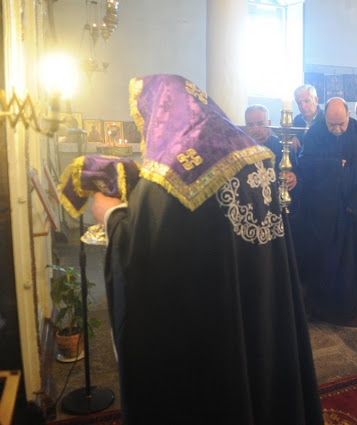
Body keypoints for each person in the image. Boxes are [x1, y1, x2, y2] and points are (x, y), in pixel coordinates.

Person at [91, 74, 323, 424]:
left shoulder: (168, 177)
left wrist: (109, 214)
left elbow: (143, 255)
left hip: (213, 333)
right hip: (267, 310)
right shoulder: (257, 155)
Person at [294, 97, 357, 322]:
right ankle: (319, 310)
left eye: (341, 123)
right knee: (322, 262)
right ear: (325, 118)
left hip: (351, 210)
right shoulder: (315, 132)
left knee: (348, 265)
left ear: (348, 115)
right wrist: (333, 163)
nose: (337, 129)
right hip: (322, 211)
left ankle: (345, 311)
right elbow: (305, 164)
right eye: (332, 124)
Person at [244, 104, 297, 191]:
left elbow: (298, 174)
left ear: (269, 124)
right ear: (246, 127)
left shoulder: (282, 147)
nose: (256, 129)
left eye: (260, 124)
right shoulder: (240, 150)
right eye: (250, 125)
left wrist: (294, 177)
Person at [292, 84, 324, 152]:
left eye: (306, 101)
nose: (303, 106)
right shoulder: (297, 120)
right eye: (299, 103)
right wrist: (292, 137)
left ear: (316, 100)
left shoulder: (326, 119)